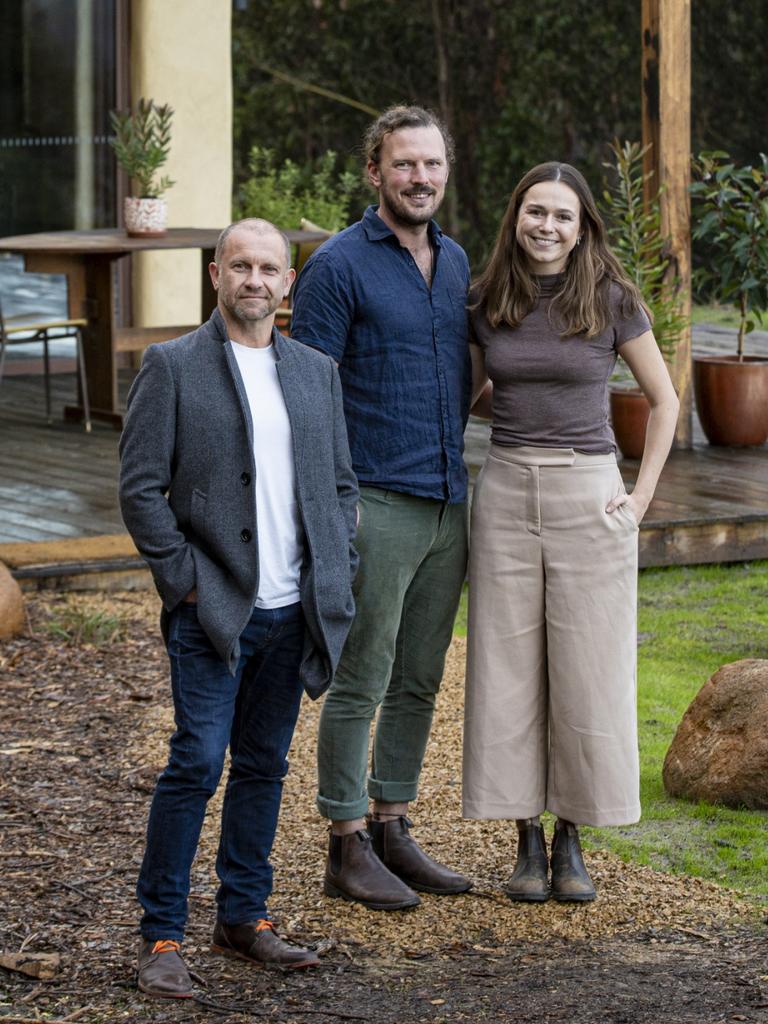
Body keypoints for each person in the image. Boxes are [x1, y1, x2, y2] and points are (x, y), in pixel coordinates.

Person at [119, 218, 358, 997]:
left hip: (295, 612)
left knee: (264, 764)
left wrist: (340, 570)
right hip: (215, 609)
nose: (255, 280)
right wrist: (185, 579)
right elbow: (140, 488)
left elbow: (341, 486)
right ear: (216, 275)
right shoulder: (174, 366)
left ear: (288, 283)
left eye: (270, 269)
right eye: (241, 266)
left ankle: (244, 916)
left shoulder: (317, 371)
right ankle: (160, 936)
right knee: (196, 762)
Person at [463, 162, 679, 903]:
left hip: (590, 491)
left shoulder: (613, 298)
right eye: (535, 212)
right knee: (508, 668)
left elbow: (666, 400)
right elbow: (471, 395)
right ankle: (524, 834)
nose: (546, 227)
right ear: (515, 217)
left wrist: (640, 499)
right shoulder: (488, 299)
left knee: (588, 668)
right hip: (506, 491)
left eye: (562, 215)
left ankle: (572, 837)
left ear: (582, 225)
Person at [291, 105, 473, 910]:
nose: (420, 178)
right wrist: (333, 510)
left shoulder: (458, 262)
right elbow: (309, 394)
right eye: (404, 165)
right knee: (362, 676)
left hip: (446, 501)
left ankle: (394, 821)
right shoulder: (337, 267)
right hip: (375, 498)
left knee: (422, 675)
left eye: (431, 165)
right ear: (374, 172)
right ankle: (345, 841)